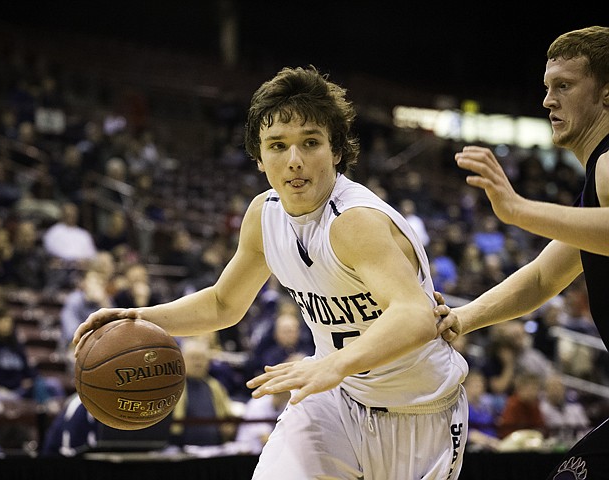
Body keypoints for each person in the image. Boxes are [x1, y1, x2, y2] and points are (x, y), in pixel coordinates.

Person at [75, 65, 469, 479]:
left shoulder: (354, 221)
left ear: (336, 151)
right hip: (334, 399)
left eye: (310, 143)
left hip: (421, 409)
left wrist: (333, 364)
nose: (294, 160)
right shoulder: (264, 214)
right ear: (259, 158)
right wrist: (138, 318)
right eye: (278, 145)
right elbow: (223, 303)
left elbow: (414, 314)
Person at [436, 26, 609, 479]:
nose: (548, 101)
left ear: (607, 95)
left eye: (564, 87)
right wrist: (465, 317)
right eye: (547, 88)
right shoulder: (597, 181)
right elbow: (541, 279)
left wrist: (517, 209)